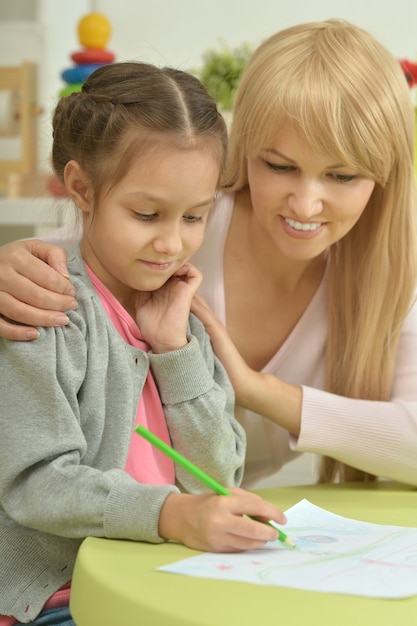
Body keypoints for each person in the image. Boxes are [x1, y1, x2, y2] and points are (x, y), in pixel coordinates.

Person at [1, 19, 417, 491]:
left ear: (385, 175)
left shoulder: (396, 273)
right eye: (279, 166)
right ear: (244, 151)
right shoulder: (185, 221)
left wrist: (255, 388)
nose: (304, 205)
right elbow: (73, 252)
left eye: (342, 177)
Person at [0, 62, 288, 626]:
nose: (172, 243)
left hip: (167, 584)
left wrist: (174, 352)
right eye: (147, 214)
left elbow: (219, 474)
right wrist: (174, 515)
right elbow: (36, 484)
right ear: (82, 188)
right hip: (62, 600)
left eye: (196, 217)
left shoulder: (184, 321)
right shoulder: (44, 309)